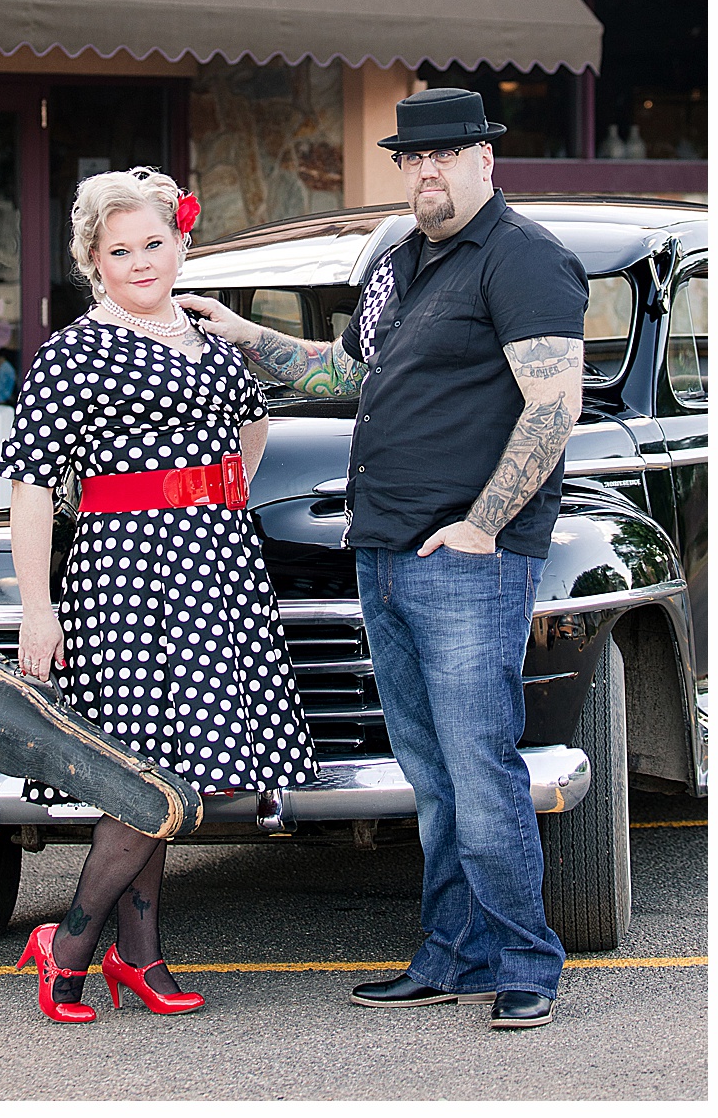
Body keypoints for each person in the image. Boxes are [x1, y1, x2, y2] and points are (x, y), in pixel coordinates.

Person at [179, 87, 587, 1030]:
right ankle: (451, 955)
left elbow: (552, 405)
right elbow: (355, 375)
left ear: (486, 159)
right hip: (386, 549)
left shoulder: (525, 259)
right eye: (411, 159)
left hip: (465, 559)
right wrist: (247, 339)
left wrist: (484, 523)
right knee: (431, 775)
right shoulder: (399, 262)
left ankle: (526, 963)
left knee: (480, 770)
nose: (426, 173)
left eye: (444, 156)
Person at [0, 168, 317, 1023]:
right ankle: (65, 949)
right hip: (128, 578)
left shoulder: (215, 340)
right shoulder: (75, 352)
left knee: (176, 774)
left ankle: (138, 957)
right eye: (119, 250)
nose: (141, 262)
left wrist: (214, 495)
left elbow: (251, 430)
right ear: (93, 262)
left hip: (218, 570)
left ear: (180, 243)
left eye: (154, 243)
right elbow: (32, 487)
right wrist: (39, 606)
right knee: (146, 777)